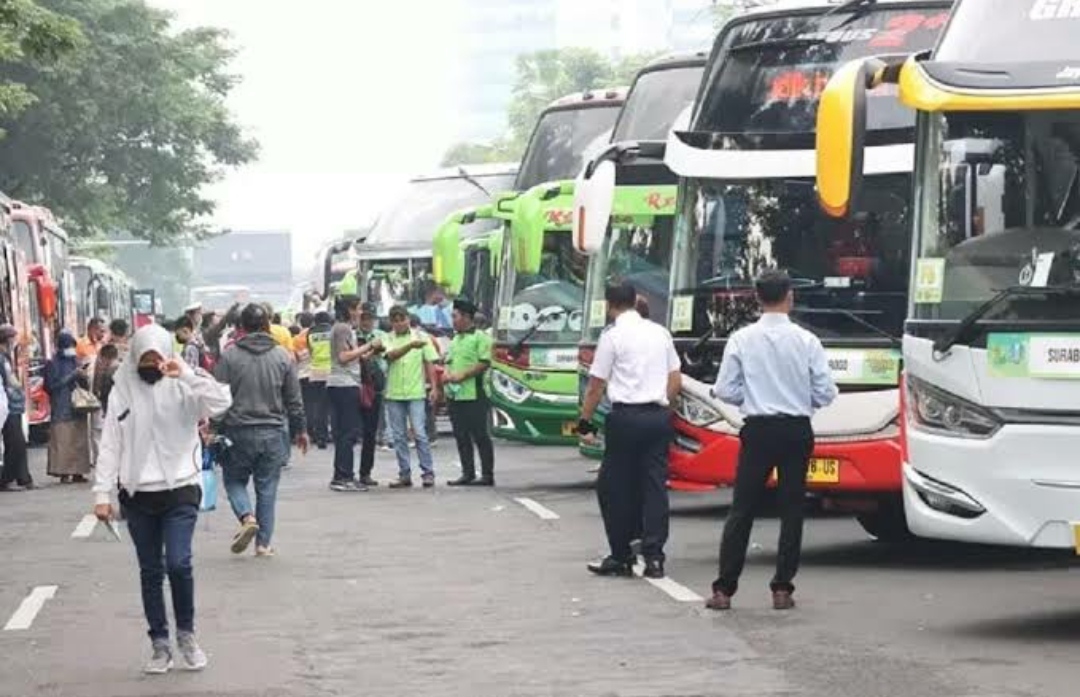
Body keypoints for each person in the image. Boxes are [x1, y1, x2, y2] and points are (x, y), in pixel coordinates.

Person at [92, 325, 233, 674]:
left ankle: (187, 634)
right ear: (135, 357)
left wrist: (184, 374)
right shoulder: (122, 389)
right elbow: (110, 442)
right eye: (145, 358)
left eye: (158, 356)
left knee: (179, 563)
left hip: (181, 489)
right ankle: (160, 644)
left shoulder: (186, 382)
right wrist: (102, 492)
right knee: (151, 571)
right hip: (138, 494)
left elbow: (220, 402)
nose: (152, 364)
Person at [705, 269, 838, 612]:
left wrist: (751, 398)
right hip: (796, 429)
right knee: (792, 509)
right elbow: (825, 392)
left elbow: (724, 389)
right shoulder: (807, 341)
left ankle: (724, 589)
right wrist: (801, 398)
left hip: (758, 429)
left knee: (742, 508)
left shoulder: (741, 339)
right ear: (790, 296)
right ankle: (782, 588)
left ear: (757, 297)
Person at [579, 282, 681, 580]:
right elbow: (675, 378)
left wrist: (583, 425)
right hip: (657, 417)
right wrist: (665, 408)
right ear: (635, 301)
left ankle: (621, 554)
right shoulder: (659, 332)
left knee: (612, 486)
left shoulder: (612, 337)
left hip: (625, 418)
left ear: (610, 305)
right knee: (654, 487)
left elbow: (596, 386)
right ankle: (654, 557)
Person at [214, 304, 308, 557]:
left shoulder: (229, 356)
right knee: (267, 488)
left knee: (234, 480)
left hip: (237, 432)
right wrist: (301, 430)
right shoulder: (282, 356)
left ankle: (247, 517)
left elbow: (218, 399)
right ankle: (263, 545)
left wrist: (212, 429)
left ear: (241, 327)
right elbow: (294, 400)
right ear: (267, 325)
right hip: (274, 432)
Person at [383, 305, 439, 488]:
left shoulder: (422, 337)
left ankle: (427, 473)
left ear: (408, 319)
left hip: (416, 392)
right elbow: (391, 356)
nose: (399, 323)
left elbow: (430, 362)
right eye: (395, 320)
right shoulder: (387, 338)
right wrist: (410, 346)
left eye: (402, 319)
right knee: (399, 436)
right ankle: (404, 474)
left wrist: (434, 387)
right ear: (391, 322)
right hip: (394, 393)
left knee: (420, 434)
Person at [326, 296, 377, 492]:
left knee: (346, 432)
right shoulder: (342, 328)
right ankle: (343, 476)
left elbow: (354, 356)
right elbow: (343, 357)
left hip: (345, 384)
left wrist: (370, 350)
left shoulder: (345, 329)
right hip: (343, 384)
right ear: (349, 309)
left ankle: (343, 475)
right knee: (347, 433)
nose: (360, 313)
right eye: (357, 309)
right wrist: (367, 346)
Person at [444, 299, 495, 487]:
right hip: (455, 395)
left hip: (476, 393)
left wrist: (463, 375)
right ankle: (468, 473)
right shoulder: (455, 339)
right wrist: (447, 376)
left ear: (466, 317)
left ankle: (487, 474)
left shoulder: (481, 338)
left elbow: (484, 362)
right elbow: (449, 362)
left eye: (455, 316)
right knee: (461, 435)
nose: (453, 320)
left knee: (480, 435)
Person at [45, 331, 92, 483]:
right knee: (63, 440)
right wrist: (71, 376)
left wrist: (83, 375)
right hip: (61, 406)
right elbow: (51, 386)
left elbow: (83, 382)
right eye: (68, 346)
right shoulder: (52, 364)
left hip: (78, 406)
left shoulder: (75, 361)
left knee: (79, 440)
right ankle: (64, 472)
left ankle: (78, 471)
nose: (71, 349)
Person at [357, 303, 386, 486]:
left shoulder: (381, 336)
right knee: (350, 432)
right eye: (364, 318)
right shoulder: (352, 335)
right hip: (354, 386)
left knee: (370, 433)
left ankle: (365, 472)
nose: (367, 322)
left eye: (370, 318)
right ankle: (345, 472)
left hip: (374, 388)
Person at [0, 324, 30, 491]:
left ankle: (21, 477)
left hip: (10, 405)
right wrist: (19, 388)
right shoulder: (2, 358)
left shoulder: (5, 356)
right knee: (15, 443)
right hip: (8, 405)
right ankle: (6, 478)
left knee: (16, 443)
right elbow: (10, 381)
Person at [304, 311, 333, 449]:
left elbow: (310, 351)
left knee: (319, 406)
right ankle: (333, 433)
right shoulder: (332, 331)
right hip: (331, 371)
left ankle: (321, 437)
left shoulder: (310, 333)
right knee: (333, 405)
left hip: (316, 372)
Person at [93, 343, 120, 416]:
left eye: (102, 358)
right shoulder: (120, 367)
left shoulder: (110, 371)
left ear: (106, 357)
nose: (101, 361)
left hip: (112, 407)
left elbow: (105, 391)